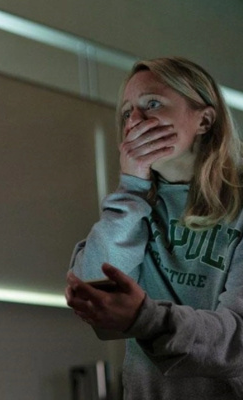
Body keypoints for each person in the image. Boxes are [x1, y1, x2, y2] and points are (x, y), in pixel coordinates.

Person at [65, 56, 243, 399]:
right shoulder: (134, 204)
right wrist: (131, 187)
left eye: (152, 104)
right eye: (126, 113)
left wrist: (147, 319)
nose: (134, 121)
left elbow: (237, 341)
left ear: (205, 120)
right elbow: (92, 286)